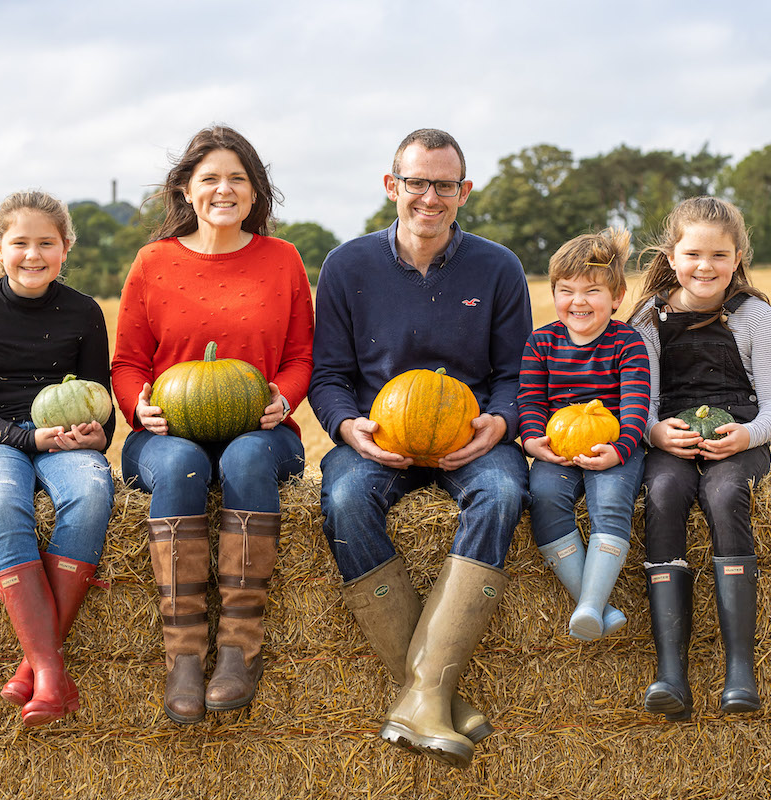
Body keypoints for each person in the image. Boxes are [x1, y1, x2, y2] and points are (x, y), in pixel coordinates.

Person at [310, 128, 532, 769]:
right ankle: (433, 696)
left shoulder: (497, 266)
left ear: (464, 192)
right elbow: (328, 377)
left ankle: (424, 690)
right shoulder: (347, 266)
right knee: (346, 497)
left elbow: (517, 373)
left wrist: (501, 419)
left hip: (469, 434)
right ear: (392, 186)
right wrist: (349, 428)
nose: (429, 197)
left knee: (503, 491)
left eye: (444, 185)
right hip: (379, 436)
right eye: (416, 183)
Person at [111, 125, 313, 725]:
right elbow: (127, 362)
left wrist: (284, 398)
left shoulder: (282, 259)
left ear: (255, 193)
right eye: (209, 179)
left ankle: (238, 647)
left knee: (246, 459)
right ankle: (184, 655)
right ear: (185, 189)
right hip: (167, 433)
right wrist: (136, 410)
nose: (223, 190)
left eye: (237, 179)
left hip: (262, 428)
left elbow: (302, 354)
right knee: (182, 465)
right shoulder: (153, 263)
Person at [0, 190, 116, 728]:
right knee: (1, 497)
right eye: (20, 243)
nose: (33, 254)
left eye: (47, 243)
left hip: (65, 443)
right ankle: (49, 669)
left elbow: (103, 413)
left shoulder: (84, 312)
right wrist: (26, 438)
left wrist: (95, 435)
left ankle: (34, 670)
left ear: (66, 248)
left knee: (90, 493)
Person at [627, 196, 771, 721]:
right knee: (667, 491)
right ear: (671, 257)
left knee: (723, 493)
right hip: (671, 435)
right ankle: (670, 671)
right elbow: (641, 399)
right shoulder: (649, 317)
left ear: (737, 257)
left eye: (720, 255)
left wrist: (745, 437)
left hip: (738, 436)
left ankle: (739, 670)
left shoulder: (753, 314)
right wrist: (654, 433)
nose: (706, 266)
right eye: (693, 253)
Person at [518, 228, 650, 642]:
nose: (578, 301)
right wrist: (532, 438)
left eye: (592, 291)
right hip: (556, 451)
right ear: (553, 292)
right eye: (566, 290)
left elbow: (635, 406)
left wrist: (619, 450)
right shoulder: (541, 343)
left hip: (612, 449)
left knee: (611, 503)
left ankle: (590, 605)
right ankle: (592, 606)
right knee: (543, 499)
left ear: (616, 296)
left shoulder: (627, 342)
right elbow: (531, 400)